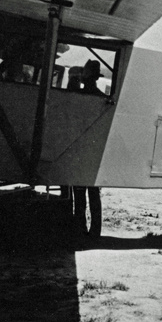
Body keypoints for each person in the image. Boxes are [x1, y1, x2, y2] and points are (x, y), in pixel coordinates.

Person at [71, 60, 104, 235]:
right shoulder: (100, 96)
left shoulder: (78, 96)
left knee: (79, 194)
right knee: (93, 193)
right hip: (93, 152)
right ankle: (95, 230)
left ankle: (80, 228)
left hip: (79, 152)